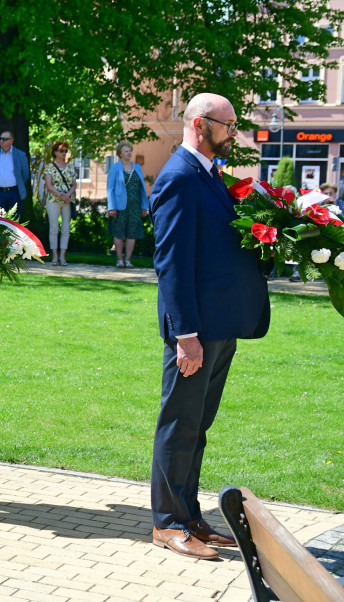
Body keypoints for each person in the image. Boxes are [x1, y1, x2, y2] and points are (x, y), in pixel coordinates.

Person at [148, 93, 269, 561]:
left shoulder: (210, 175)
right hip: (195, 331)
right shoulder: (179, 177)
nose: (234, 131)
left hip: (219, 327)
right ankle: (168, 524)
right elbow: (172, 264)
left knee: (197, 427)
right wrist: (185, 335)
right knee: (178, 425)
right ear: (200, 124)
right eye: (228, 124)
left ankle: (191, 515)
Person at [107, 141, 149, 268]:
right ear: (120, 153)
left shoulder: (137, 168)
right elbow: (110, 189)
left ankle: (128, 260)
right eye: (126, 151)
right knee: (119, 232)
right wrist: (111, 207)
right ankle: (119, 259)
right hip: (119, 206)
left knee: (132, 233)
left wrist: (144, 206)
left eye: (130, 150)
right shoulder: (115, 168)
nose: (129, 153)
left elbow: (141, 188)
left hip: (135, 206)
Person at [42, 141, 76, 267]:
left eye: (66, 151)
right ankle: (54, 256)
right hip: (53, 201)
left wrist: (68, 195)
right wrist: (61, 195)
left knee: (66, 229)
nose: (64, 153)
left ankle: (63, 256)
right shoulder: (49, 167)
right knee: (54, 228)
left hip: (67, 201)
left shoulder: (70, 167)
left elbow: (74, 184)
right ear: (55, 152)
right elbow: (49, 185)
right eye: (62, 151)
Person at [0, 130, 30, 220]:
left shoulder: (20, 155)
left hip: (14, 192)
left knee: (14, 220)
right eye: (0, 138)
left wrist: (18, 183)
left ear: (11, 141)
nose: (1, 141)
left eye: (4, 139)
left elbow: (25, 174)